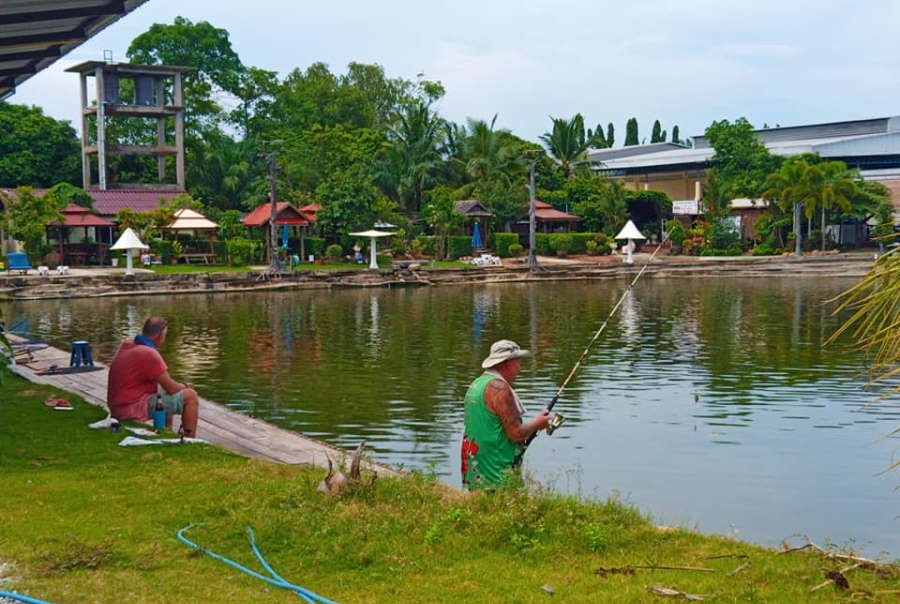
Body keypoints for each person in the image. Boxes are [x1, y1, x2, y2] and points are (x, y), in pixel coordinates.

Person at [461, 339, 550, 489]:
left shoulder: (477, 383)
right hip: (496, 471)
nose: (520, 367)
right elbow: (516, 433)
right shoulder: (500, 389)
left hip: (475, 467)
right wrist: (539, 423)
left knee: (482, 507)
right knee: (504, 508)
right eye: (517, 362)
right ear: (505, 363)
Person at [107, 317, 199, 437]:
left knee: (163, 390)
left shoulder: (128, 344)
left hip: (117, 406)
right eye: (165, 334)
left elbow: (165, 383)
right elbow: (171, 387)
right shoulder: (149, 353)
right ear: (160, 335)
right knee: (191, 396)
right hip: (129, 408)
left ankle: (166, 431)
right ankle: (190, 438)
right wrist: (183, 386)